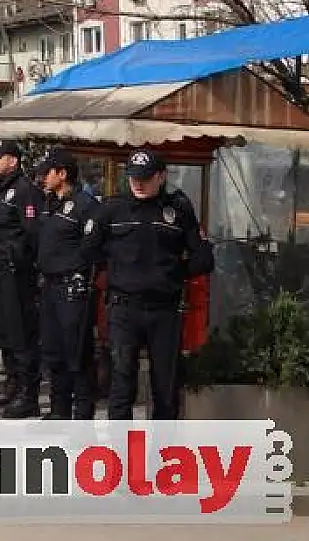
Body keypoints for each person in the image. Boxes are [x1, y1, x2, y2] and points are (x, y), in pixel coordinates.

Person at [83, 148, 213, 419]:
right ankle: (121, 456)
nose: (138, 184)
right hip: (124, 309)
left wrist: (174, 274)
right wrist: (115, 269)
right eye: (133, 177)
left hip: (164, 310)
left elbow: (203, 258)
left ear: (161, 177)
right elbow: (88, 250)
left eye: (145, 178)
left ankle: (162, 458)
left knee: (165, 389)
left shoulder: (177, 209)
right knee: (122, 387)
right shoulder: (113, 208)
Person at [34, 147, 100, 420]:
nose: (42, 178)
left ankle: (82, 416)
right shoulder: (50, 202)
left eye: (47, 172)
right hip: (49, 286)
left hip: (73, 288)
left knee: (77, 354)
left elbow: (92, 247)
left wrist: (78, 273)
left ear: (62, 173)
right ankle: (59, 410)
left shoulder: (85, 205)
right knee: (53, 351)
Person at [0, 140, 42, 418]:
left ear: (13, 160)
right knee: (4, 332)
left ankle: (28, 393)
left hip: (15, 274)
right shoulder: (2, 189)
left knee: (20, 334)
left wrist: (14, 257)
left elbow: (31, 233)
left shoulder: (24, 190)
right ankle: (11, 385)